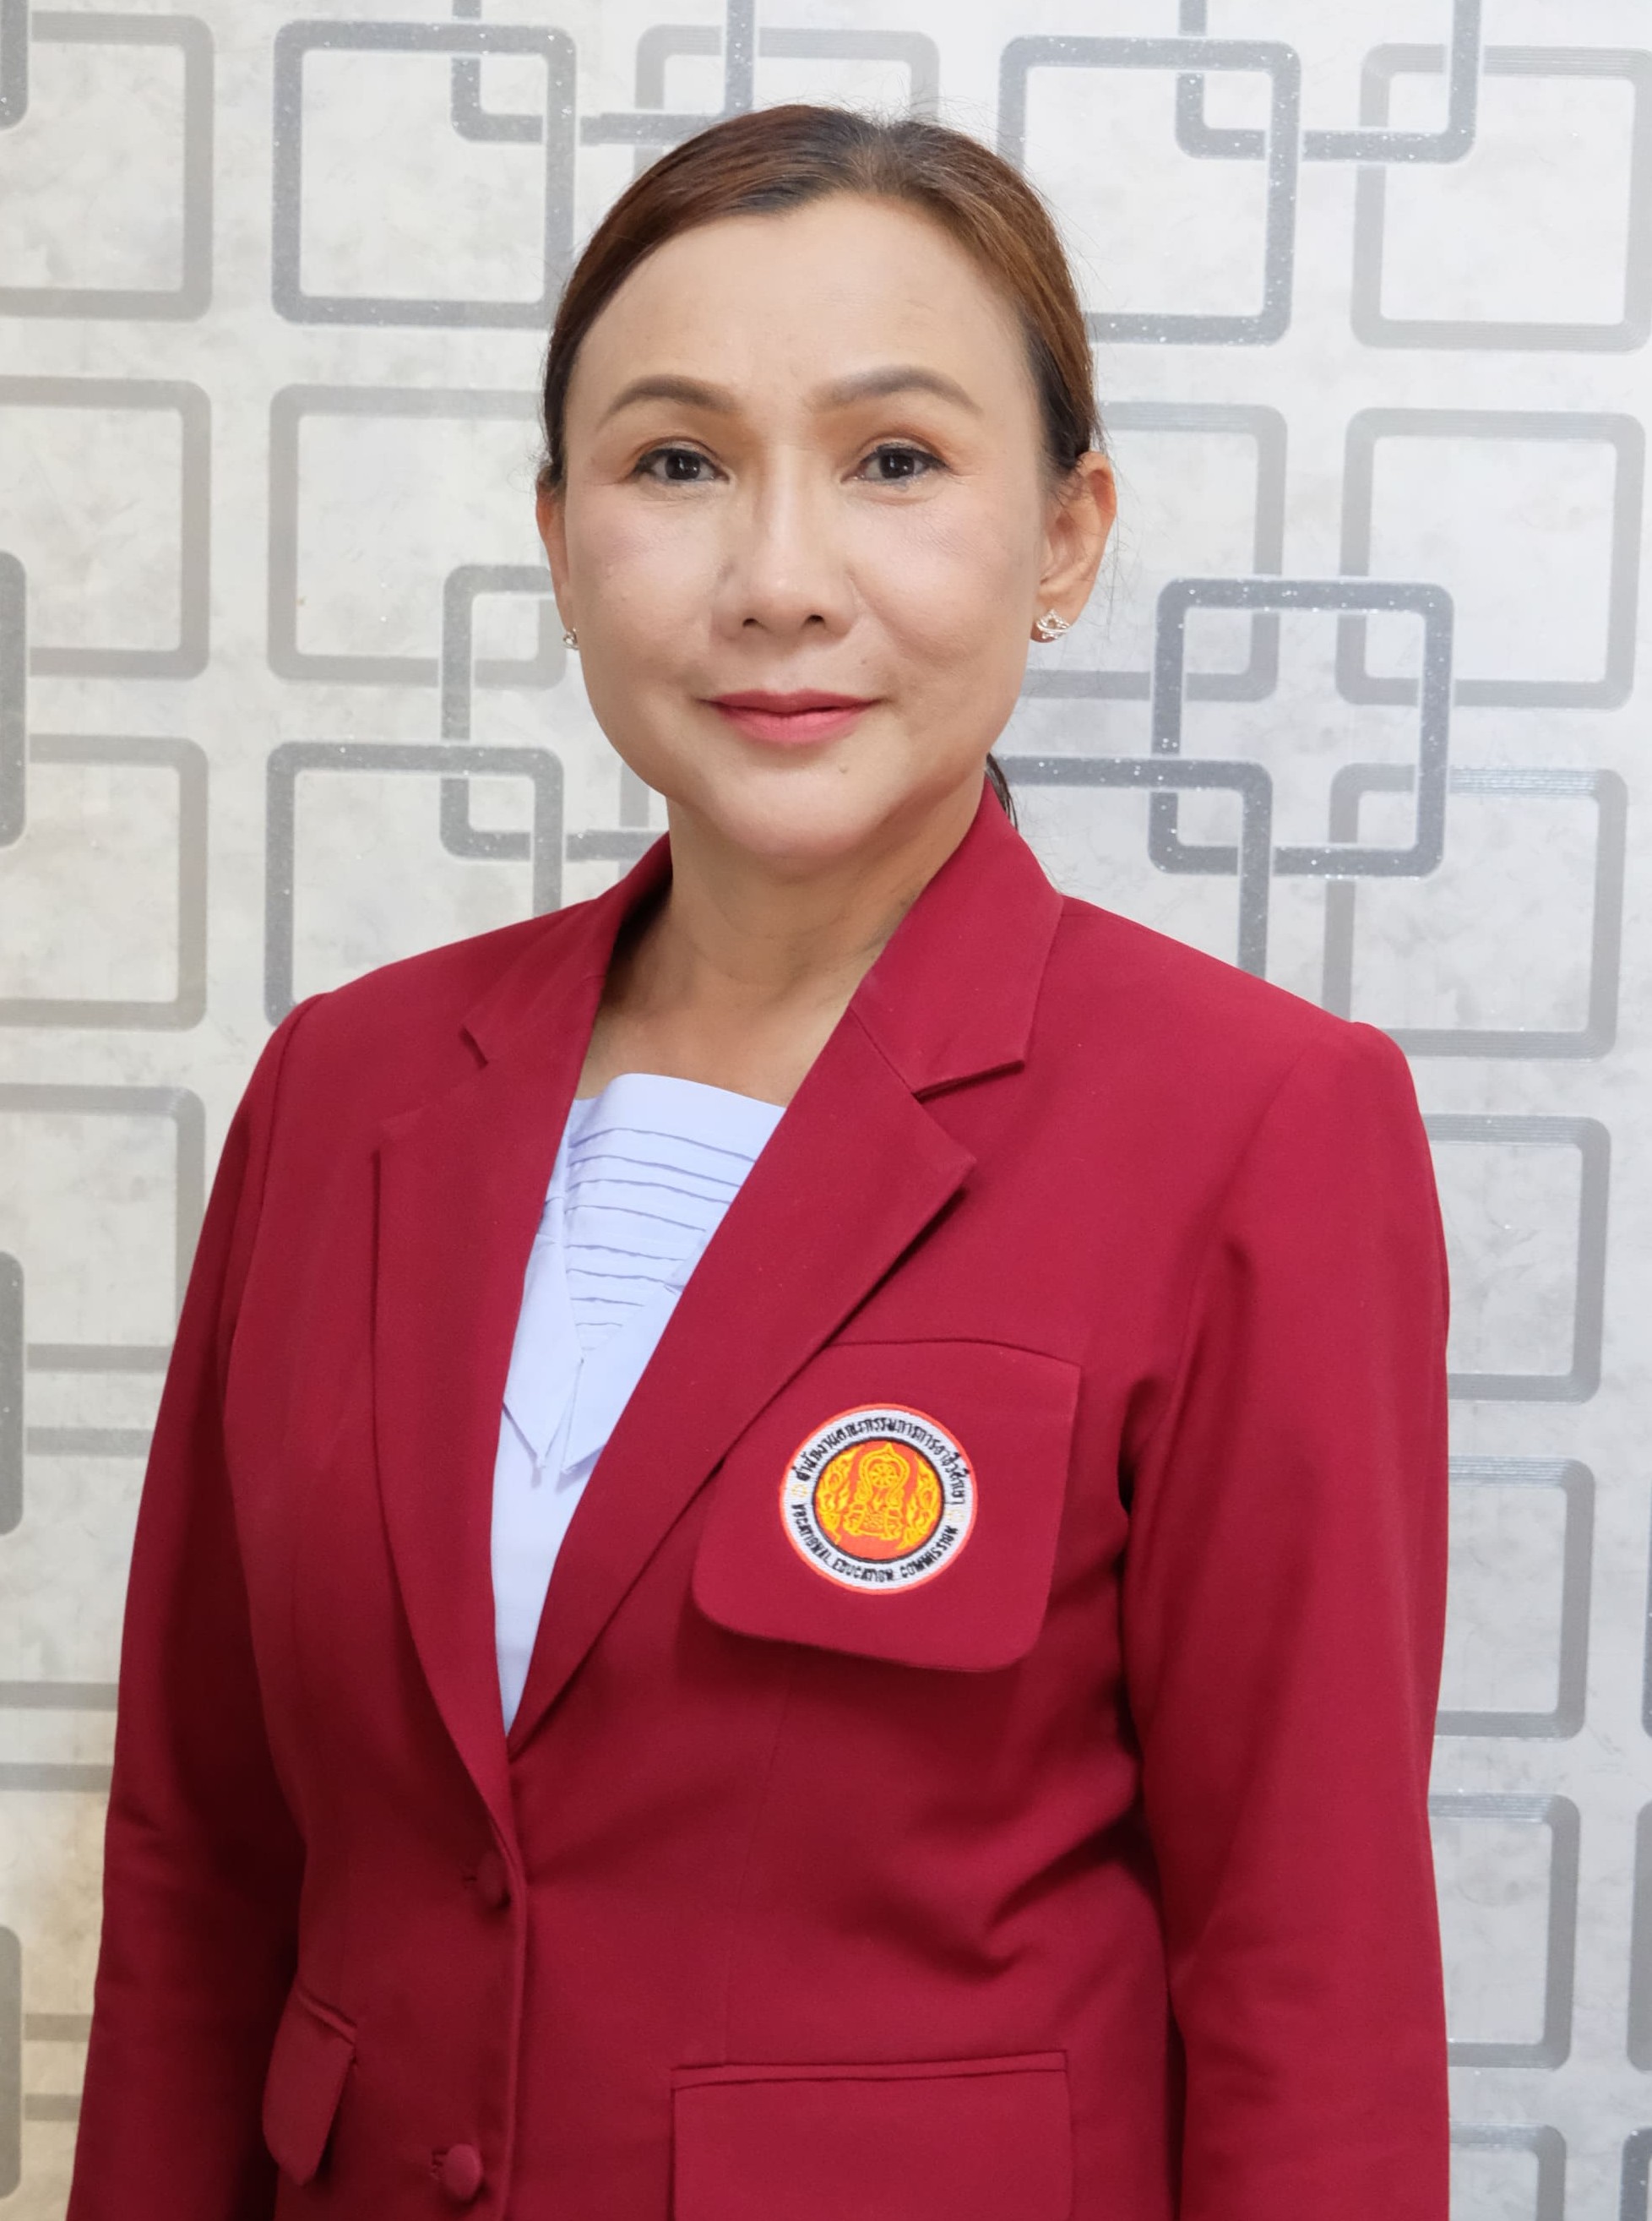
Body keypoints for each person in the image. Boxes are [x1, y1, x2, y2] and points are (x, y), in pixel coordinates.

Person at [68, 104, 1449, 2221]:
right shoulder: (345, 1090)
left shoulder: (1256, 1126)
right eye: (675, 463)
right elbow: (203, 1854)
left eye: (894, 459)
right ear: (561, 538)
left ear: (1066, 536)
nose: (780, 579)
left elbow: (1311, 1974)